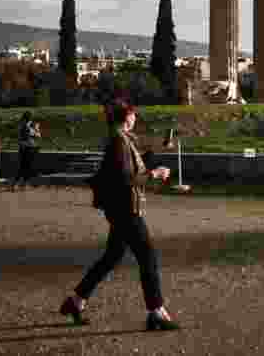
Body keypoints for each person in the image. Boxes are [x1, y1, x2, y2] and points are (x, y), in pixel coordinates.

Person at [59, 96, 180, 330]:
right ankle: (156, 311)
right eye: (133, 114)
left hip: (121, 209)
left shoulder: (122, 140)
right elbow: (126, 178)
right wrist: (155, 174)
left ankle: (76, 301)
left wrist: (154, 156)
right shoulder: (119, 142)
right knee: (147, 257)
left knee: (111, 257)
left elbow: (130, 167)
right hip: (127, 211)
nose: (136, 117)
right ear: (126, 117)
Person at [11, 112, 41, 191]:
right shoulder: (22, 125)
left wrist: (34, 131)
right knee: (22, 166)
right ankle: (15, 184)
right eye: (26, 119)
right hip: (24, 147)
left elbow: (38, 135)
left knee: (29, 167)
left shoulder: (33, 125)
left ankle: (23, 184)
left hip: (31, 147)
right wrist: (32, 132)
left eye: (27, 119)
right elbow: (21, 135)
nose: (26, 120)